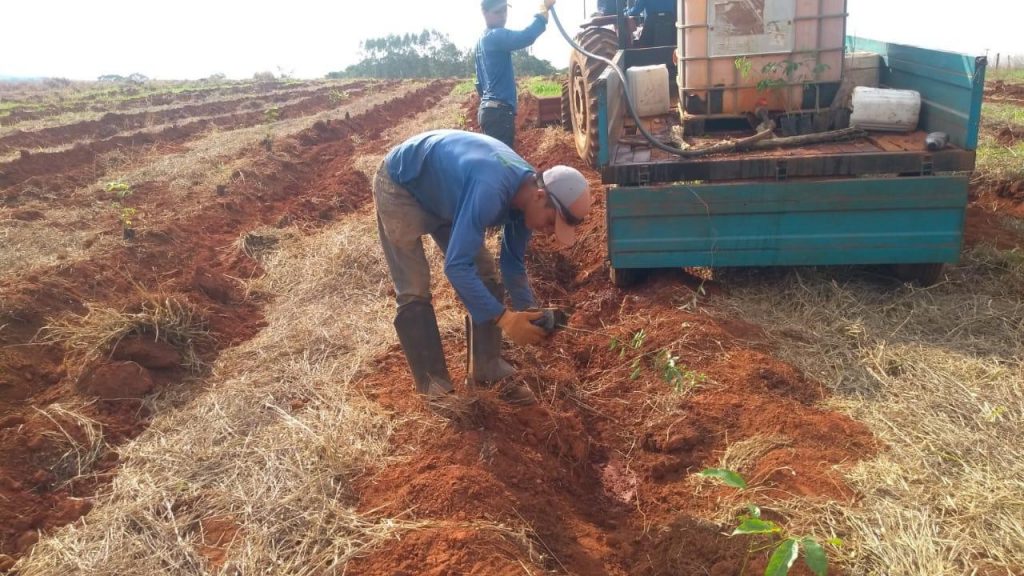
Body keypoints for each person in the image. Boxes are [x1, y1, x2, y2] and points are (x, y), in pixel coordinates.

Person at [374, 130, 592, 406]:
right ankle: (435, 388)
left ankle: (487, 369)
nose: (549, 232)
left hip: (447, 193)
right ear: (540, 196)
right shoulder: (491, 189)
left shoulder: (524, 198)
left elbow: (512, 264)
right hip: (403, 184)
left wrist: (528, 312)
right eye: (551, 222)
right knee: (414, 286)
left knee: (484, 271)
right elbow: (456, 267)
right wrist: (505, 319)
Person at [475, 0, 557, 149]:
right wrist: (543, 12)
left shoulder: (480, 41)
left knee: (496, 161)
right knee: (503, 166)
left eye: (505, 11)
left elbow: (479, 84)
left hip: (487, 113)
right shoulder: (495, 36)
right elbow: (526, 37)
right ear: (484, 13)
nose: (503, 16)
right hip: (499, 114)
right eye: (497, 12)